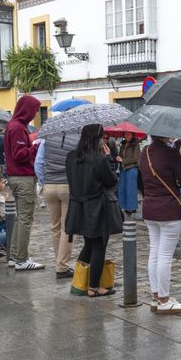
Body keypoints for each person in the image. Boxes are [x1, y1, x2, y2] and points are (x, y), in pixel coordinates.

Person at [140, 135, 181, 314]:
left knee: (154, 252)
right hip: (168, 210)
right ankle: (164, 300)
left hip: (149, 208)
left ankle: (156, 297)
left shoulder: (144, 152)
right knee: (164, 255)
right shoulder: (170, 153)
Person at [65, 124, 118, 297]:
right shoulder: (99, 159)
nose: (104, 140)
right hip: (97, 207)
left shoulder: (71, 157)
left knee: (88, 244)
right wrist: (109, 159)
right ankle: (94, 287)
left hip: (78, 206)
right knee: (99, 245)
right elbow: (111, 181)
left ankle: (79, 283)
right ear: (97, 139)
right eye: (102, 137)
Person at [4, 95, 44, 271]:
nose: (36, 113)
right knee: (26, 219)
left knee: (20, 219)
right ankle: (21, 259)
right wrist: (35, 146)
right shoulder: (18, 128)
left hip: (16, 176)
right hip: (23, 177)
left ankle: (14, 256)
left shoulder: (13, 126)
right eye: (35, 110)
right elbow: (19, 155)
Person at [34, 129, 79, 279]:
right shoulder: (77, 140)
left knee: (55, 227)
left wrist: (44, 181)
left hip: (49, 186)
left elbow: (38, 163)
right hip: (68, 186)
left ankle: (58, 261)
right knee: (68, 228)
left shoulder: (47, 140)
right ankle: (62, 266)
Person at [118, 133, 141, 216]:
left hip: (132, 168)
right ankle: (122, 206)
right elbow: (121, 156)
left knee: (130, 189)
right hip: (123, 168)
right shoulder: (123, 144)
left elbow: (135, 159)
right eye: (126, 134)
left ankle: (131, 208)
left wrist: (122, 160)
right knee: (122, 188)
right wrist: (118, 157)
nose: (127, 136)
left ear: (132, 135)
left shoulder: (136, 144)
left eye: (129, 134)